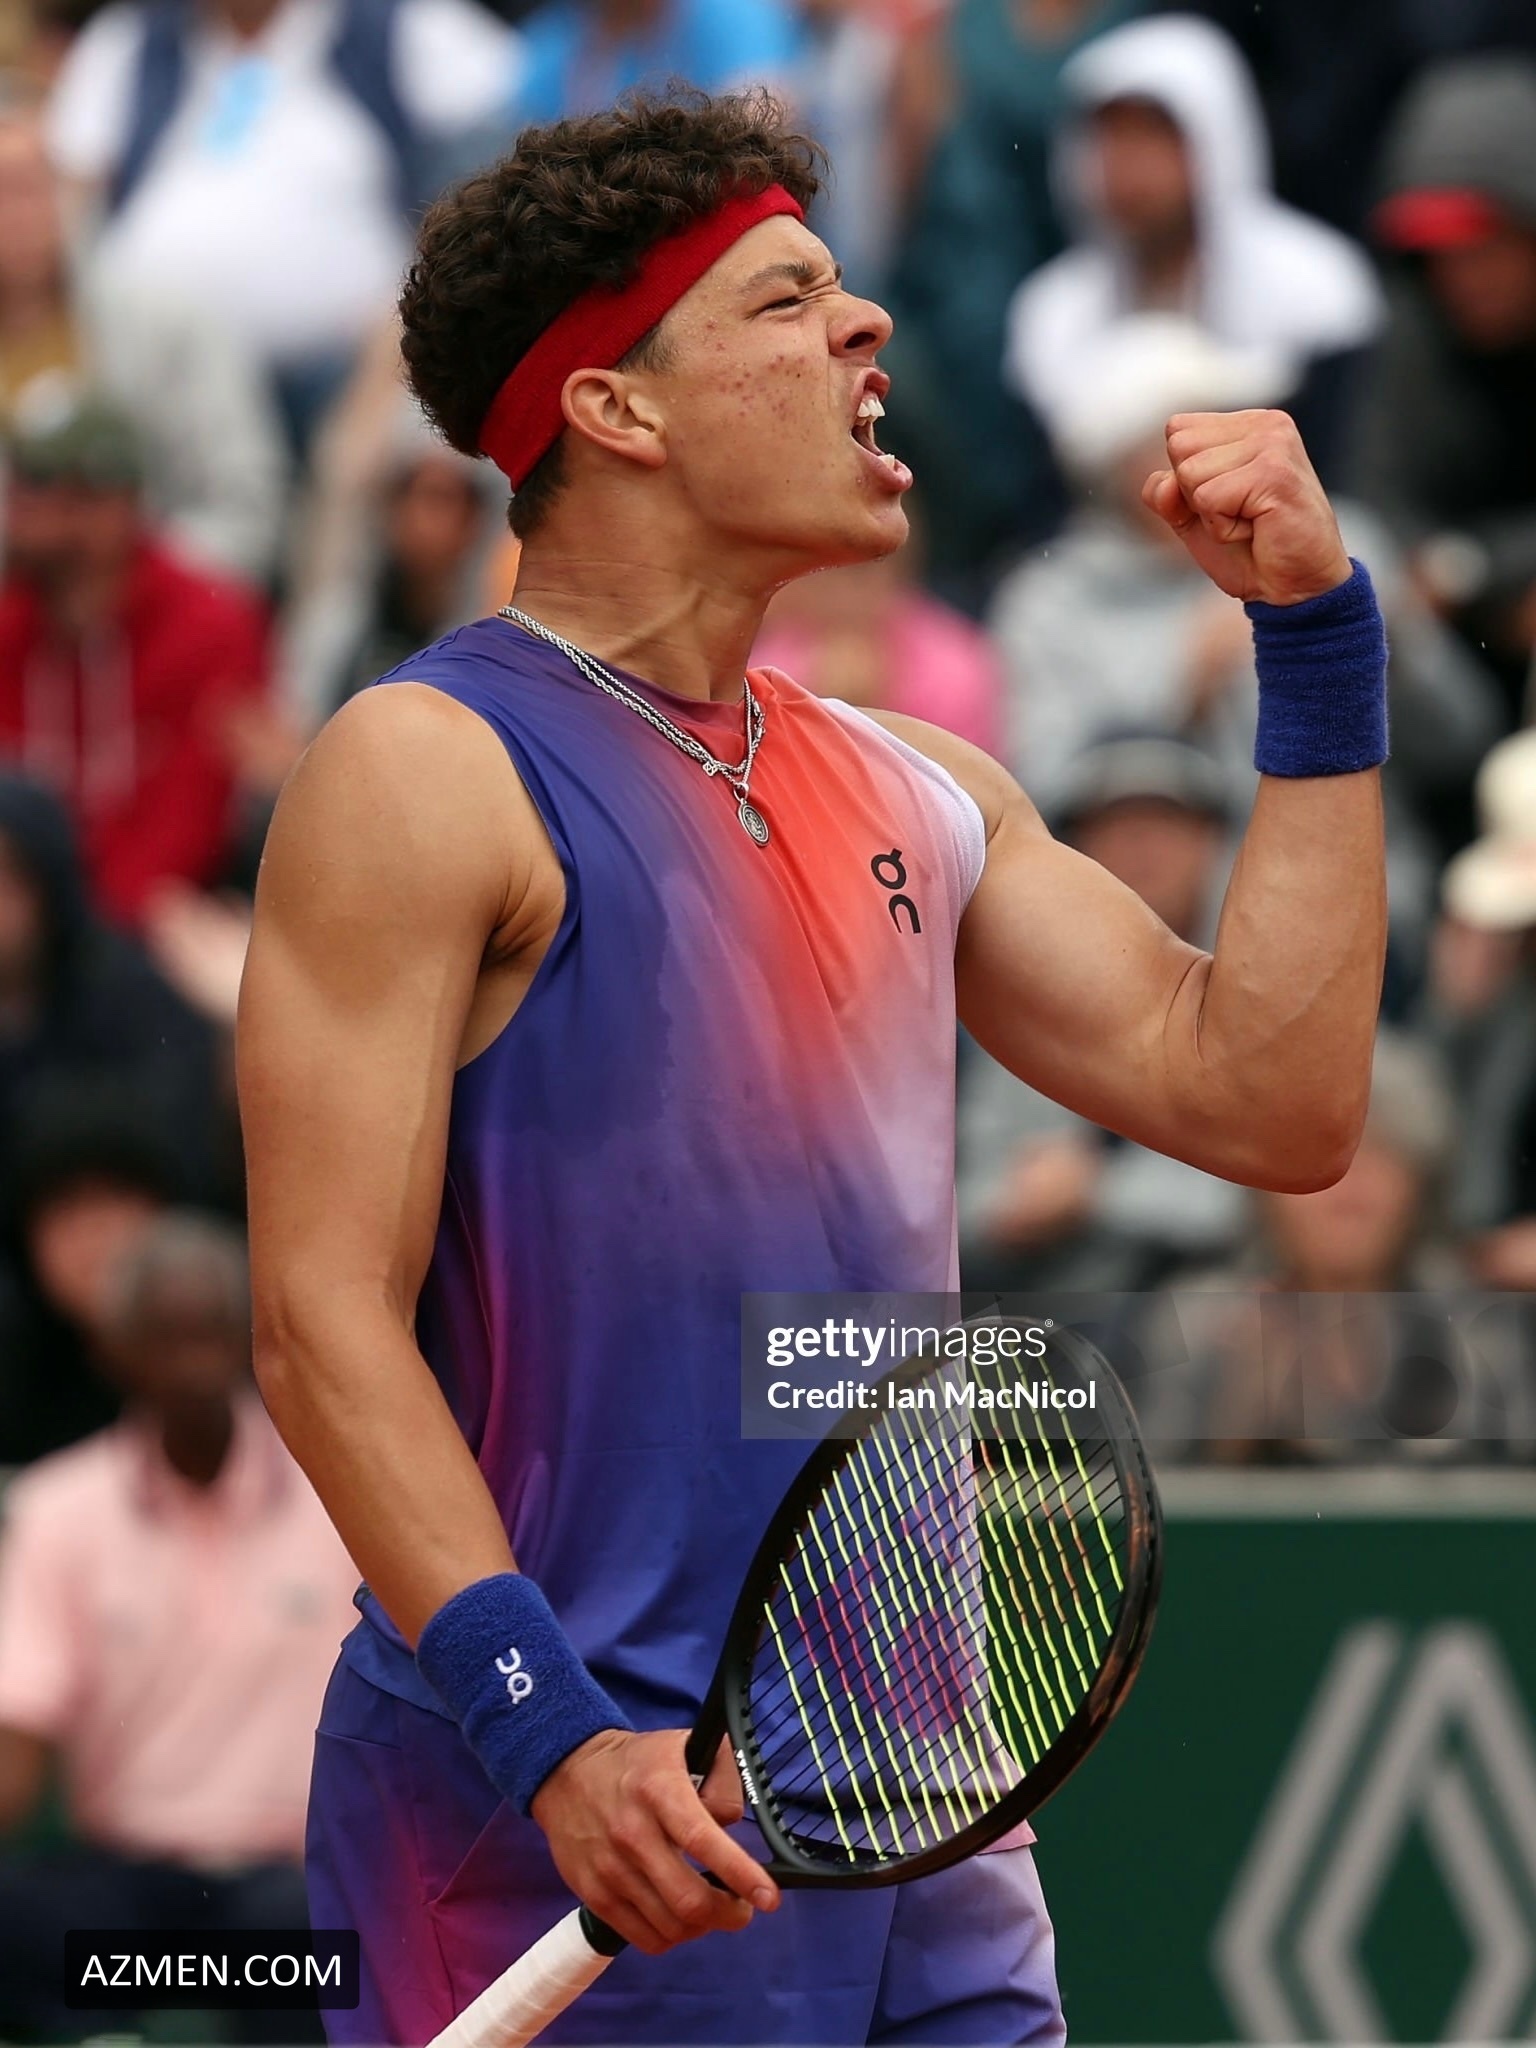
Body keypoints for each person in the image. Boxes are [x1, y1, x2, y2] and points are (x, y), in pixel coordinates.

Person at [236, 89, 1388, 2047]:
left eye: (844, 285)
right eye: (785, 299)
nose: (865, 323)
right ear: (617, 407)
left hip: (914, 1805)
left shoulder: (923, 783)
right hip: (562, 1813)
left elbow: (1268, 1099)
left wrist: (1316, 640)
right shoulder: (423, 771)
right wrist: (551, 1736)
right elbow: (319, 1317)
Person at [988, 314, 1502, 994]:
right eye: (1191, 437)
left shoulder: (1339, 544)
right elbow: (1039, 796)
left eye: (1230, 420)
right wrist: (1182, 682)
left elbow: (1463, 740)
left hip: (1374, 928)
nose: (1228, 450)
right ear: (1123, 466)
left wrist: (1380, 637)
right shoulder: (1048, 601)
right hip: (1154, 957)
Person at [0, 1211, 360, 2043]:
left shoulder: (339, 1497)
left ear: (247, 1342)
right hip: (127, 1885)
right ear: (113, 1353)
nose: (192, 1361)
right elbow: (20, 1730)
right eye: (165, 1337)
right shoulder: (58, 1509)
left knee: (310, 1929)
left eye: (209, 1332)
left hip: (296, 1880)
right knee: (25, 1918)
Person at [45, 0, 525, 449]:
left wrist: (405, 329)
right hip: (164, 386)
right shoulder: (129, 43)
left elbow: (493, 192)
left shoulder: (405, 25)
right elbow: (65, 205)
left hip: (364, 374)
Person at [1004, 13, 1382, 486]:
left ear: (1217, 136)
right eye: (1111, 137)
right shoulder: (1052, 313)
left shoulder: (1318, 287)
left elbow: (1341, 469)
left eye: (1154, 135)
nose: (1129, 167)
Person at [958, 730, 1245, 1291]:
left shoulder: (1263, 987)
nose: (1142, 847)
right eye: (1115, 825)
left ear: (1212, 841)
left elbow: (1274, 1196)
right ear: (1075, 852)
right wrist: (1014, 1207)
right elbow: (964, 1199)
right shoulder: (1018, 994)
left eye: (1166, 823)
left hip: (1220, 1299)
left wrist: (1093, 1191)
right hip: (1043, 1299)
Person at [0, 390, 270, 924]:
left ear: (116, 506)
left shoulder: (209, 626)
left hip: (159, 925)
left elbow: (189, 827)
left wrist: (85, 941)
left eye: (47, 490)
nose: (23, 514)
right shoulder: (11, 624)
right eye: (22, 486)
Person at [0, 91, 286, 585]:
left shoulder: (174, 327)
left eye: (24, 187)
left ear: (66, 193)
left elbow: (245, 503)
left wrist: (135, 592)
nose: (11, 213)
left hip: (153, 606)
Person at [1352, 58, 1536, 724]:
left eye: (1485, 245)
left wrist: (1472, 566)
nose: (1462, 277)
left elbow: (1448, 567)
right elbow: (1380, 506)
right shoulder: (1417, 331)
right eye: (1438, 253)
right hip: (1453, 671)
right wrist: (1475, 580)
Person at [752, 534, 1003, 755]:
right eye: (822, 572)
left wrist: (866, 715)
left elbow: (965, 781)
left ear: (899, 569)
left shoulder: (955, 663)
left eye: (858, 573)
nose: (841, 594)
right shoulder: (765, 664)